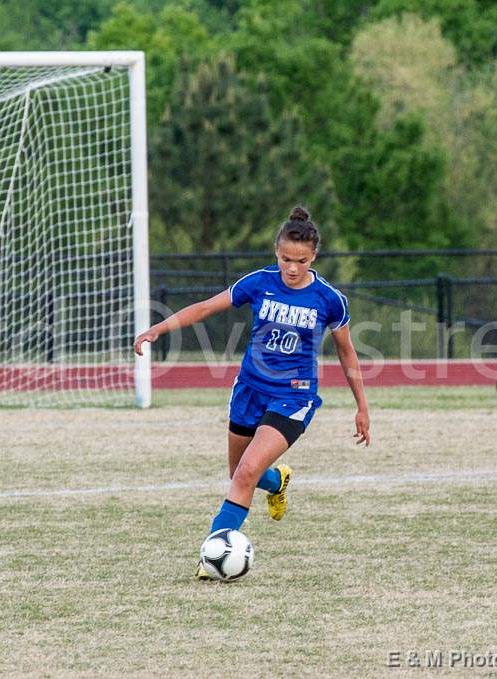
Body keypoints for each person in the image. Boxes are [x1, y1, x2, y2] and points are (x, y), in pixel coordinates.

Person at [132, 207, 371, 579]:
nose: (292, 268)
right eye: (285, 259)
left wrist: (362, 406)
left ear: (314, 258)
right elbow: (207, 307)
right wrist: (158, 329)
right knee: (240, 474)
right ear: (276, 253)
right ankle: (277, 481)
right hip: (249, 391)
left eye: (301, 261)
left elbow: (346, 351)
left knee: (244, 473)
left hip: (293, 397)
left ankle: (212, 557)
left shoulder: (329, 300)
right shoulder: (258, 282)